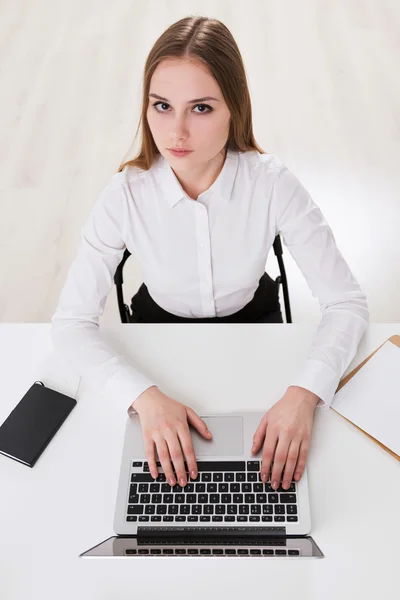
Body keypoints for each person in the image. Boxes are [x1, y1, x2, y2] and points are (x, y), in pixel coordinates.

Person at [51, 16, 369, 494]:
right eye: (161, 106)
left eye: (200, 107)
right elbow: (71, 323)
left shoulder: (272, 184)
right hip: (159, 336)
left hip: (255, 326)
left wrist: (305, 395)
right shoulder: (125, 195)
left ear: (233, 110)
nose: (175, 130)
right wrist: (141, 396)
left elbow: (346, 303)